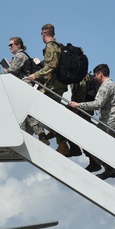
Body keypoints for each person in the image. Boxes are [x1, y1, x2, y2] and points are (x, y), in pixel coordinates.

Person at [69, 64, 115, 194]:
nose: (95, 78)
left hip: (109, 124)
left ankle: (108, 168)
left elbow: (97, 104)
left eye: (96, 75)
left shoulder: (106, 86)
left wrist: (79, 105)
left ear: (100, 74)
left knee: (89, 142)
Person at [25, 24, 76, 156]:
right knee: (52, 115)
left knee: (30, 107)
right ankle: (61, 143)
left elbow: (52, 65)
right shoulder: (59, 46)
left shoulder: (51, 46)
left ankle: (44, 136)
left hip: (52, 86)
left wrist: (35, 75)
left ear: (44, 33)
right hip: (57, 85)